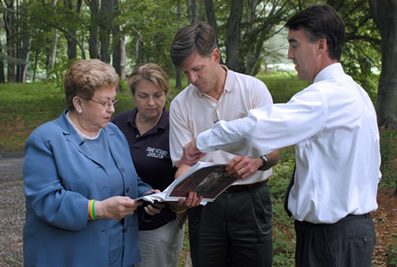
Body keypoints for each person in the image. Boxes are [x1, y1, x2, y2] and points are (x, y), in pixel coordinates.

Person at [181, 5, 381, 267]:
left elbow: (257, 128)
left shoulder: (324, 98)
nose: (289, 54)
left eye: (294, 44)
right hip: (346, 233)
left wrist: (201, 141)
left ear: (320, 46)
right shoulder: (356, 92)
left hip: (332, 238)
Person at [22, 59, 162, 266]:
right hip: (70, 256)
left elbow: (127, 178)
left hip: (118, 253)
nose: (111, 109)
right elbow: (46, 200)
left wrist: (146, 194)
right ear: (78, 103)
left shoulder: (113, 133)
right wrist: (97, 209)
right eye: (104, 103)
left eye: (113, 101)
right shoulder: (46, 139)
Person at [169, 22, 280, 266]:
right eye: (186, 72)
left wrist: (258, 161)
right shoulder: (180, 104)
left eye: (197, 69)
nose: (192, 79)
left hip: (251, 200)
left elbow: (274, 151)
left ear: (216, 55)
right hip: (205, 206)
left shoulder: (253, 90)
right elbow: (183, 164)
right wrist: (184, 188)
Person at [112, 63, 184, 267]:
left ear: (166, 94)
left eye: (158, 95)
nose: (151, 102)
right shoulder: (118, 124)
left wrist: (168, 203)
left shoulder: (176, 128)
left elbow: (188, 175)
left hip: (158, 226)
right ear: (133, 96)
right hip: (117, 222)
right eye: (143, 96)